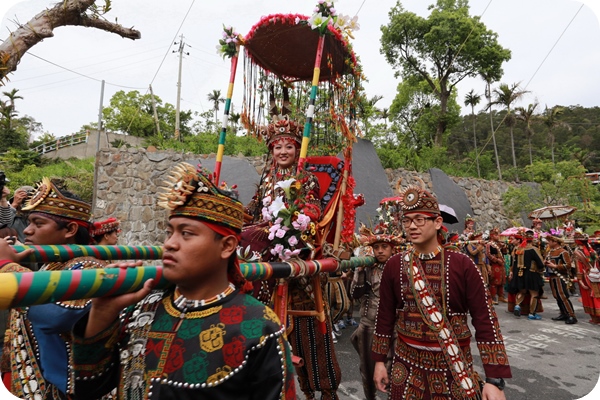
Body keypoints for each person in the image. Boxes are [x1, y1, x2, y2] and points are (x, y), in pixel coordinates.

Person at [71, 162, 296, 399]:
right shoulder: (141, 309)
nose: (170, 243)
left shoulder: (259, 327)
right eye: (170, 232)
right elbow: (89, 389)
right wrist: (102, 312)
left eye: (186, 233)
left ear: (227, 246)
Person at [241, 90, 340, 400]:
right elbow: (253, 209)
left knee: (308, 330)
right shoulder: (266, 177)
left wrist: (293, 219)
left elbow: (314, 210)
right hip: (264, 237)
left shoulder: (305, 177)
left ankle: (320, 387)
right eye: (277, 146)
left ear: (297, 149)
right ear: (271, 151)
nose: (282, 151)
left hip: (294, 240)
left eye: (288, 146)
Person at [372, 185, 511, 400]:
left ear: (437, 222)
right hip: (406, 368)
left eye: (419, 219)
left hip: (453, 368)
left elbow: (486, 319)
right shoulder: (395, 265)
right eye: (407, 221)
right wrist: (379, 361)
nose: (412, 226)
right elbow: (385, 315)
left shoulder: (462, 265)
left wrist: (494, 380)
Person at [0, 177, 107, 400]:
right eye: (28, 223)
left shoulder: (89, 266)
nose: (27, 231)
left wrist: (7, 265)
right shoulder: (52, 264)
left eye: (38, 224)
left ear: (70, 229)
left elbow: (52, 315)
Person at [350, 228, 399, 400]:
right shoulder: (368, 268)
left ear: (392, 248)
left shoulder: (401, 267)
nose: (380, 250)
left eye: (384, 246)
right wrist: (360, 271)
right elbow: (355, 294)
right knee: (368, 370)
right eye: (376, 247)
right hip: (369, 326)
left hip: (395, 329)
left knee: (396, 372)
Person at [507, 229, 546, 320]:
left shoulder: (517, 249)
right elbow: (540, 263)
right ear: (532, 239)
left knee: (522, 291)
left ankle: (517, 306)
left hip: (519, 274)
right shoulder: (533, 249)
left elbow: (513, 262)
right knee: (534, 294)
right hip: (531, 274)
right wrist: (541, 270)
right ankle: (532, 314)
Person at [543, 233, 577, 324]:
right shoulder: (550, 252)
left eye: (549, 241)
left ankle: (571, 315)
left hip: (560, 277)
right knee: (556, 296)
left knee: (563, 296)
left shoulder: (563, 252)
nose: (548, 243)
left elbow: (568, 265)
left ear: (555, 242)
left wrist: (555, 266)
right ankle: (563, 313)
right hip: (552, 276)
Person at [572, 231, 600, 324]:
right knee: (597, 295)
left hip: (586, 277)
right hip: (595, 275)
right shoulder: (592, 251)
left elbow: (579, 268)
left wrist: (580, 280)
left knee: (589, 297)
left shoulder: (577, 252)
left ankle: (595, 319)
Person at [487, 227, 508, 304]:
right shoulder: (489, 244)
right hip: (494, 265)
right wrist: (497, 260)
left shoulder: (497, 244)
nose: (498, 236)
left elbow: (504, 253)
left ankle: (501, 296)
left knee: (502, 281)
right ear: (492, 236)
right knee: (494, 281)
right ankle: (492, 298)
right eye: (496, 235)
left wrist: (503, 247)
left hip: (501, 265)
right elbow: (489, 254)